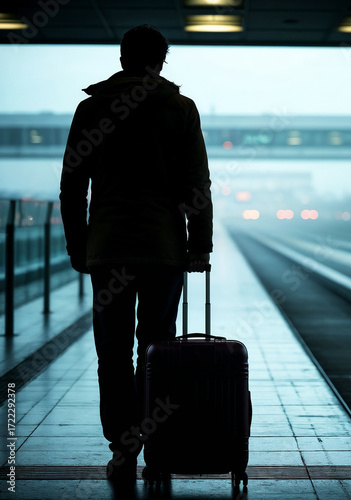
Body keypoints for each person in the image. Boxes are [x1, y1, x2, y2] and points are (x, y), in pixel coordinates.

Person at [59, 24, 213, 482]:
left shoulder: (91, 109)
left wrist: (78, 244)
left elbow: (72, 185)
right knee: (157, 349)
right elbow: (196, 185)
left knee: (113, 351)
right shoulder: (180, 109)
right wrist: (199, 245)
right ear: (161, 61)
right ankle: (159, 446)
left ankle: (123, 449)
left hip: (108, 251)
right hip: (163, 250)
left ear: (123, 59)